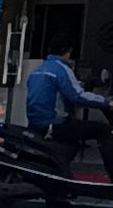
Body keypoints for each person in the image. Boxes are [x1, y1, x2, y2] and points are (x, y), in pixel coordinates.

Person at [25, 33, 113, 181]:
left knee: (72, 140)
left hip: (36, 123)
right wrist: (106, 102)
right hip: (54, 124)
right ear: (68, 51)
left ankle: (59, 179)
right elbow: (77, 96)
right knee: (103, 130)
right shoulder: (61, 69)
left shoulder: (38, 70)